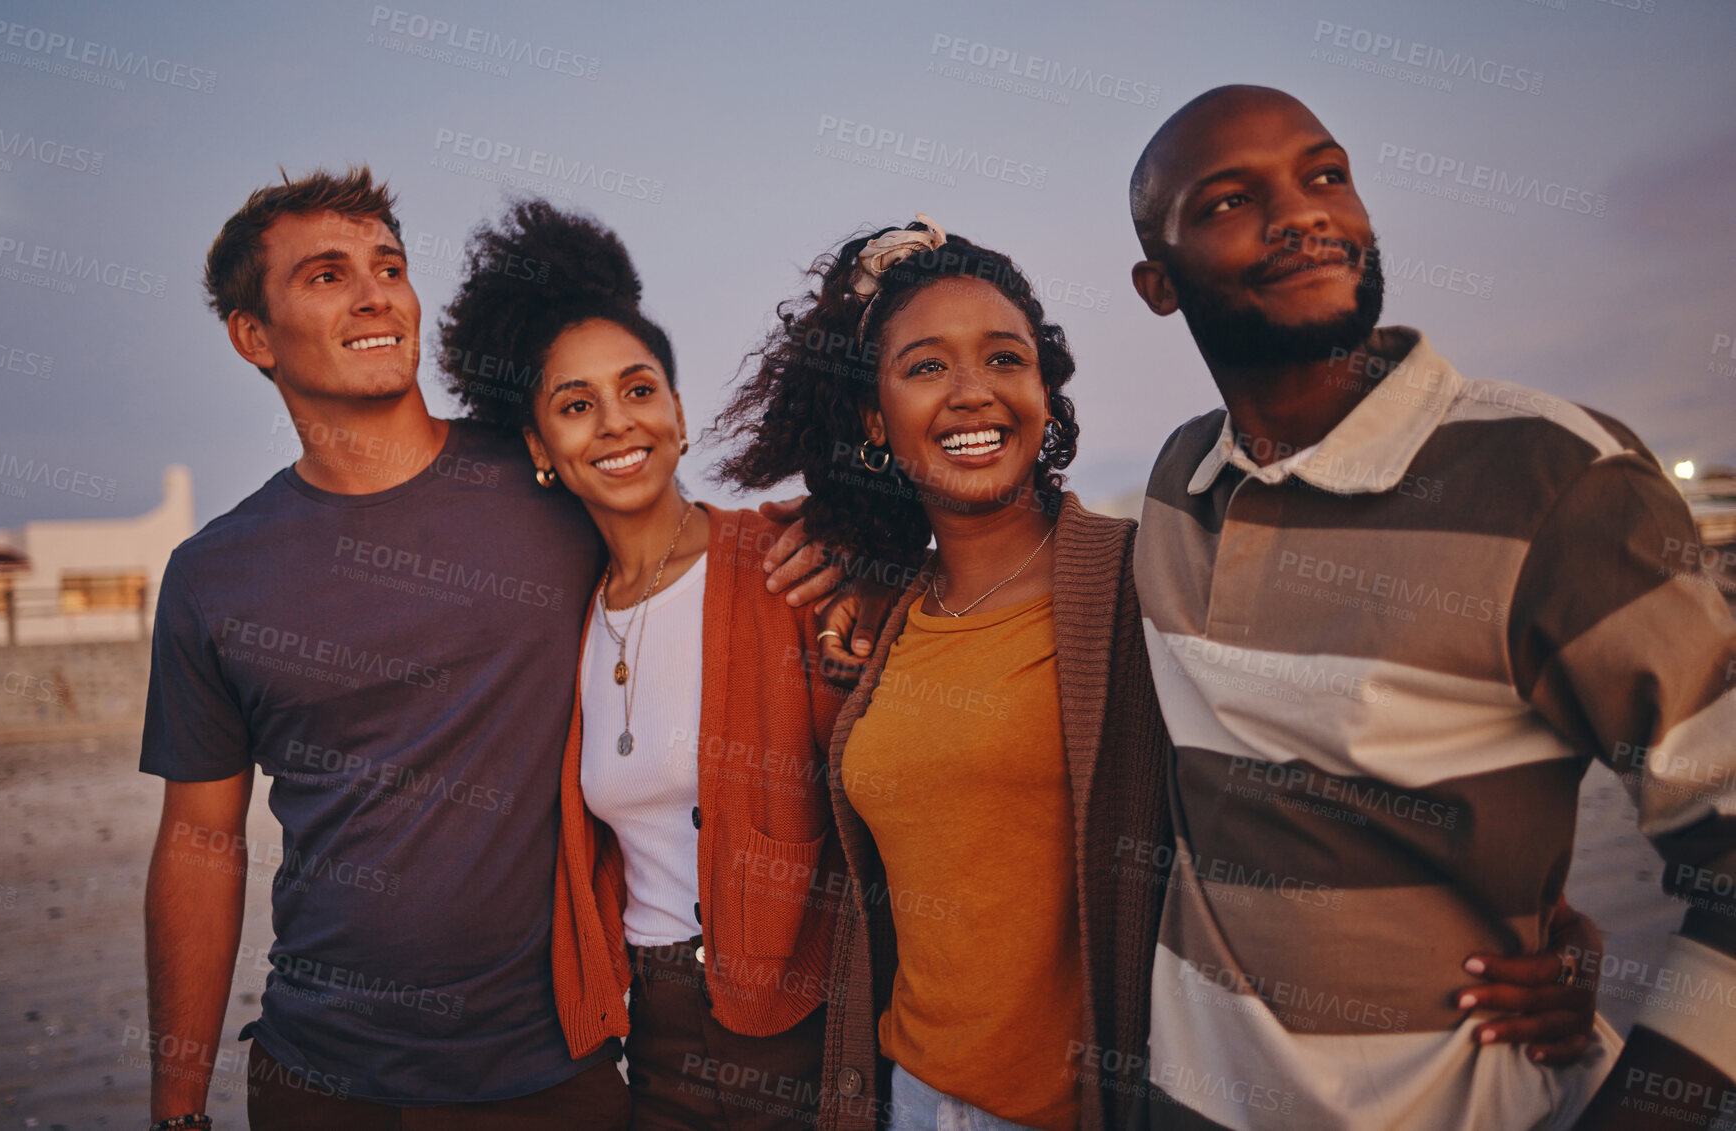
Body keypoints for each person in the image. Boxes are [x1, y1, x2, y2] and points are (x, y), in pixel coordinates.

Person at [140, 168, 830, 1131]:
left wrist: (832, 540)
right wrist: (177, 1109)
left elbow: (688, 540)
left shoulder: (549, 484)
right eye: (327, 275)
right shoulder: (215, 575)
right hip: (321, 1077)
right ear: (253, 336)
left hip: (563, 1067)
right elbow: (200, 842)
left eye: (389, 266)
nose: (376, 292)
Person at [1126, 85, 1736, 1130]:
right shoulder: (1179, 484)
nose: (1305, 214)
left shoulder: (1558, 481)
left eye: (1326, 177)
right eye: (1230, 201)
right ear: (1159, 286)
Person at [717, 215, 1179, 1130]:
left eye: (1005, 358)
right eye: (925, 367)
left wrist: (1541, 940)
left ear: (1043, 389)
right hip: (907, 1096)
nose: (973, 392)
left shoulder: (1141, 583)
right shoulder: (889, 616)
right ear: (872, 420)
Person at [438, 200, 847, 1130]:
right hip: (652, 1029)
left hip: (800, 1013)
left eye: (638, 389)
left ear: (678, 410)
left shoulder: (789, 562)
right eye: (576, 406)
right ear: (542, 449)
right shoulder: (570, 617)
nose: (616, 423)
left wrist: (860, 546)